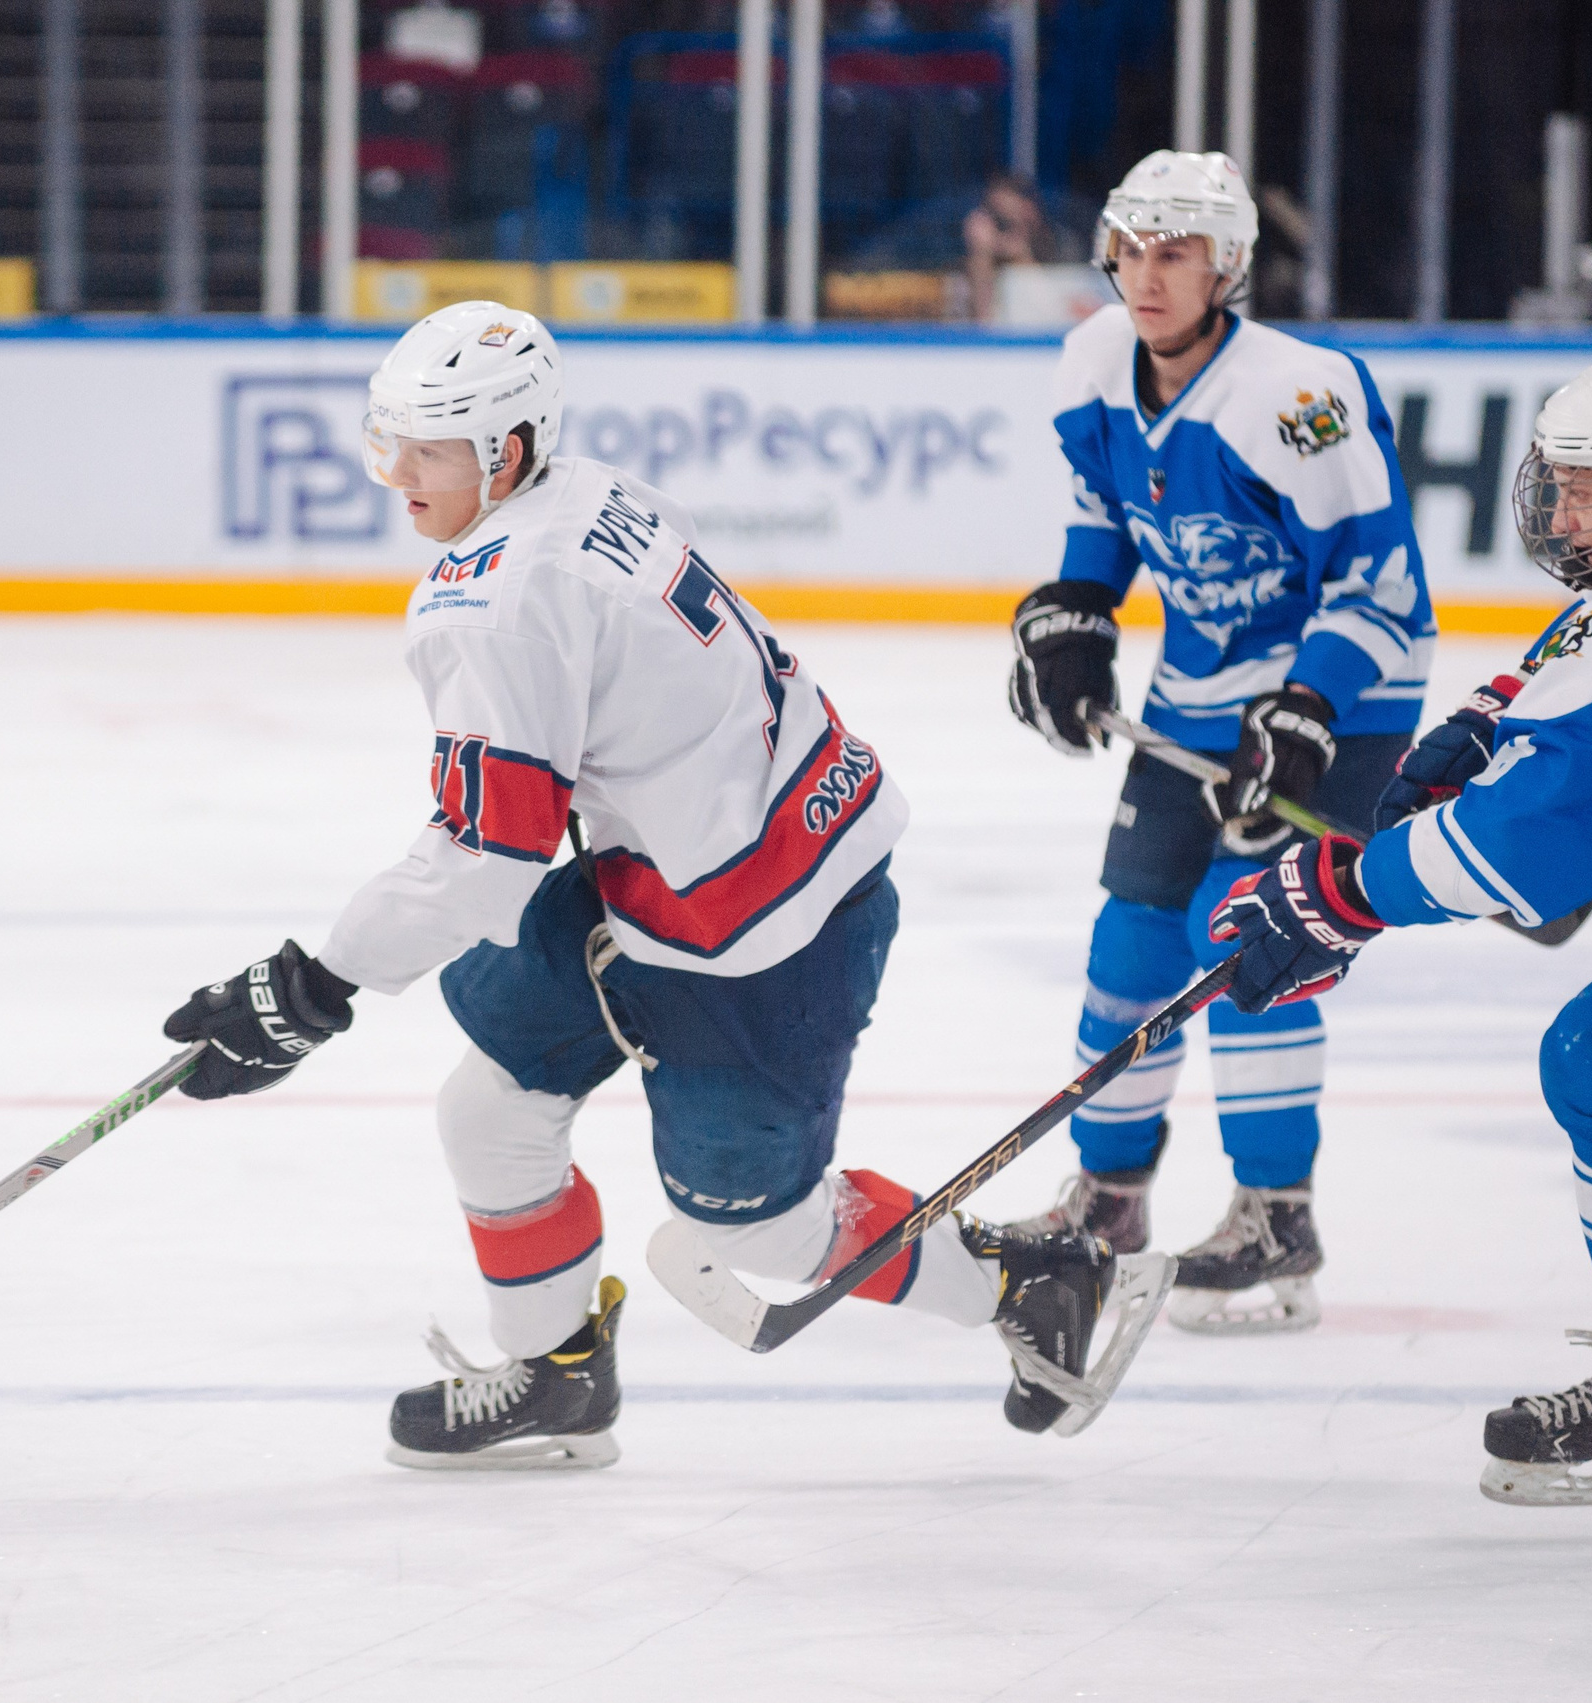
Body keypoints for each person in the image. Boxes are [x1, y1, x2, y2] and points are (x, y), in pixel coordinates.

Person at [158, 300, 1156, 1470]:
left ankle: (1024, 1278)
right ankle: (559, 1374)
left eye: (429, 450)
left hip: (764, 926)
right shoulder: (592, 491)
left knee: (763, 1230)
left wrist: (311, 986)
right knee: (490, 1109)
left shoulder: (494, 600)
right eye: (393, 441)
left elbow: (489, 854)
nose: (399, 475)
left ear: (506, 452)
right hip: (698, 866)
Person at [1209, 341, 1592, 1506]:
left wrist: (1338, 896)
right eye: (1555, 479)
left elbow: (1526, 849)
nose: (1558, 509)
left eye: (1586, 487)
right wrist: (1501, 711)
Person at [998, 149, 1435, 1334]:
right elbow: (1105, 506)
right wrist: (1080, 608)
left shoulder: (1297, 397)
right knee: (1130, 941)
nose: (1147, 276)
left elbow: (1381, 583)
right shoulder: (1094, 360)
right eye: (1132, 250)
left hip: (1347, 695)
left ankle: (1275, 1216)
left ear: (1228, 265)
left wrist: (1307, 709)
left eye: (1176, 253)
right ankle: (1108, 1199)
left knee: (1245, 937)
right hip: (1197, 689)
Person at [964, 173, 1065, 324]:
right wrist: (984, 249)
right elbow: (983, 323)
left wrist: (1020, 255)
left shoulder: (1060, 242)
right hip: (1001, 321)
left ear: (1029, 207)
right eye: (997, 216)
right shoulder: (982, 253)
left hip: (1045, 316)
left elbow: (1054, 311)